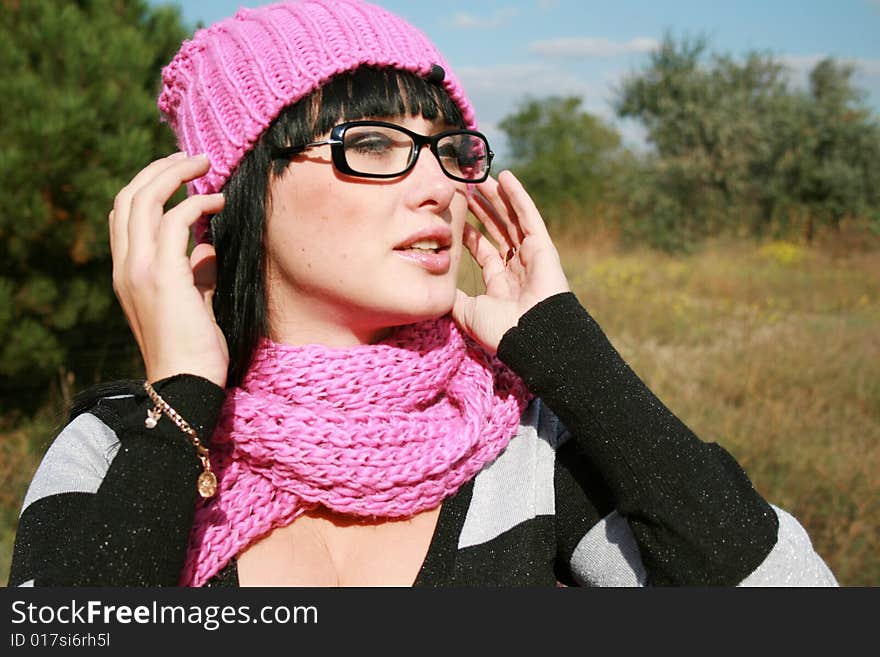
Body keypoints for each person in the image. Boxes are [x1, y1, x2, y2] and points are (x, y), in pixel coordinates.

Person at [8, 0, 837, 587]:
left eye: (450, 149)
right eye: (371, 143)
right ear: (239, 190)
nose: (438, 185)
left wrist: (570, 356)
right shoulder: (120, 444)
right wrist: (184, 397)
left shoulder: (517, 443)